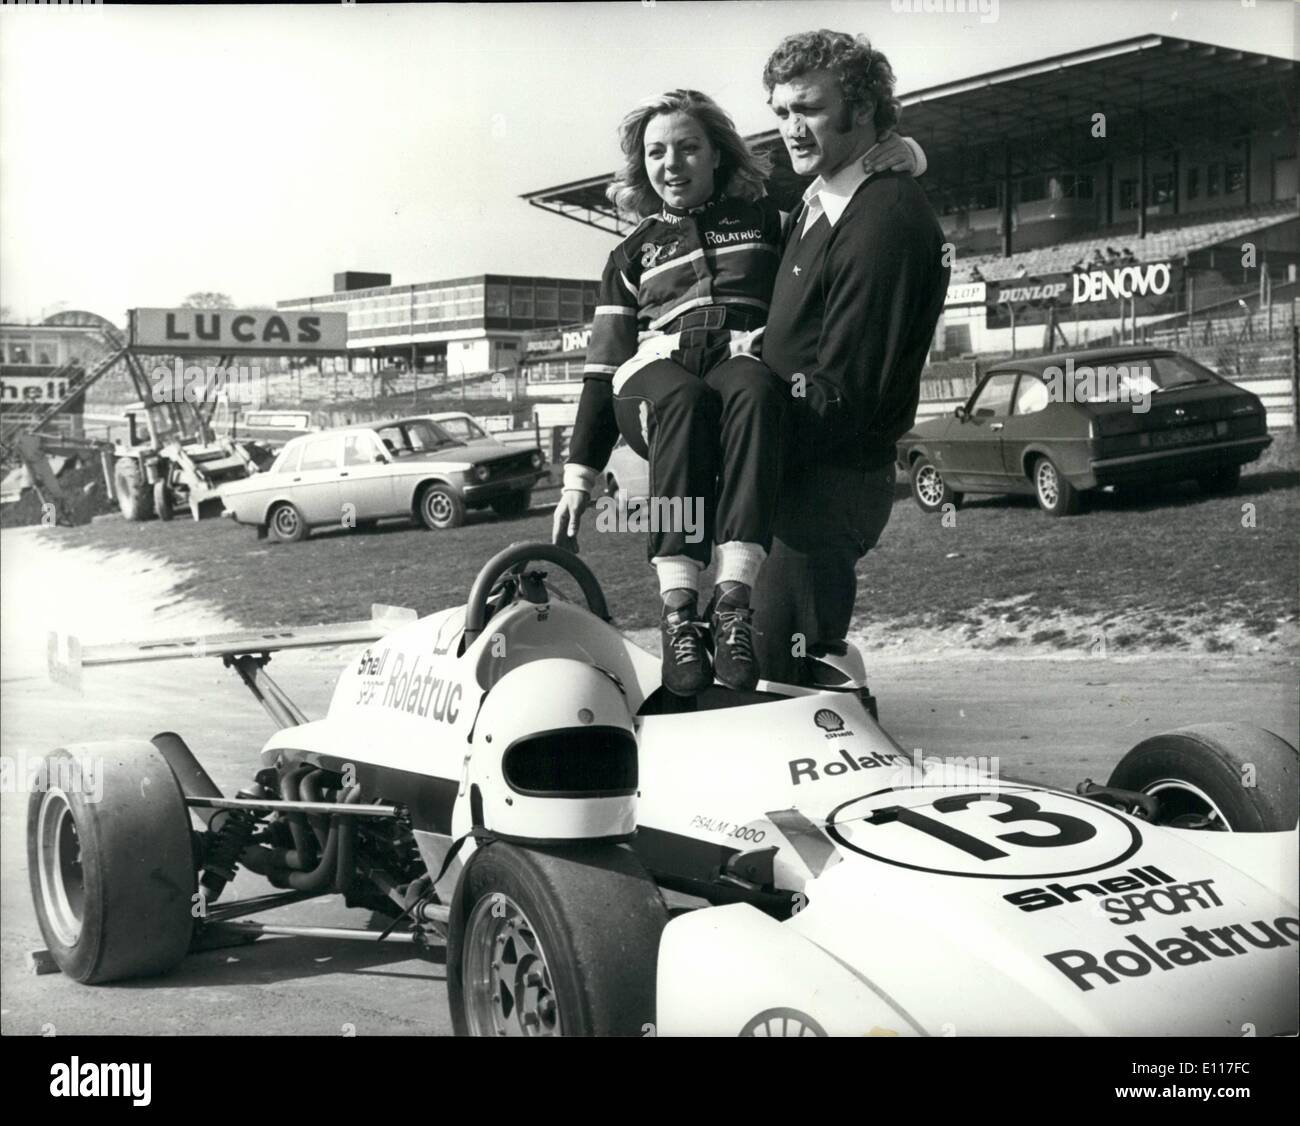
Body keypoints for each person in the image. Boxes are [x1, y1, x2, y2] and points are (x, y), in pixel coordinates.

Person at [552, 88, 925, 696]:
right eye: (656, 153)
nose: (672, 164)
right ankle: (677, 610)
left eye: (688, 148)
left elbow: (837, 205)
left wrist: (907, 153)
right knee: (684, 401)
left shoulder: (768, 222)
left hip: (732, 358)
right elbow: (600, 373)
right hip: (653, 375)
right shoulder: (629, 253)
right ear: (642, 165)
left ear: (717, 155)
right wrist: (579, 480)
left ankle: (731, 604)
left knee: (755, 388)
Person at [750, 30, 950, 686]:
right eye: (780, 112)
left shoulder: (884, 216)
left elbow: (845, 393)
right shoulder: (821, 197)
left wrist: (738, 429)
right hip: (789, 475)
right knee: (745, 673)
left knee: (777, 690)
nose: (790, 128)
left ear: (861, 108)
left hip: (826, 483)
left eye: (806, 108)